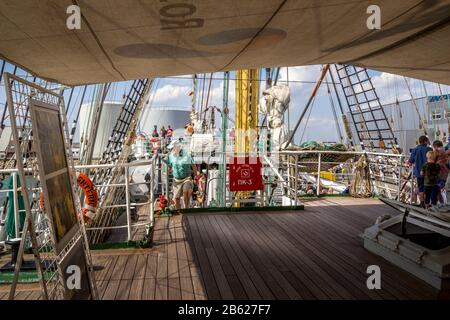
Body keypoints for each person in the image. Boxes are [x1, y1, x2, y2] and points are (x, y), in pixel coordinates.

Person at [166, 141, 198, 209]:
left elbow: (193, 166)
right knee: (176, 198)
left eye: (172, 148)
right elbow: (170, 166)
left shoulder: (186, 154)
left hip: (186, 178)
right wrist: (168, 170)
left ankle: (186, 208)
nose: (171, 150)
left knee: (186, 191)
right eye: (171, 149)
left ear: (177, 147)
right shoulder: (171, 156)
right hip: (176, 179)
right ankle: (179, 212)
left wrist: (195, 177)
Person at [407, 135, 432, 207]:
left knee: (421, 189)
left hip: (418, 173)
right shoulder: (429, 149)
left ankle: (422, 204)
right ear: (425, 141)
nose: (428, 142)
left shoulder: (415, 149)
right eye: (427, 141)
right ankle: (428, 204)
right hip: (427, 173)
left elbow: (411, 161)